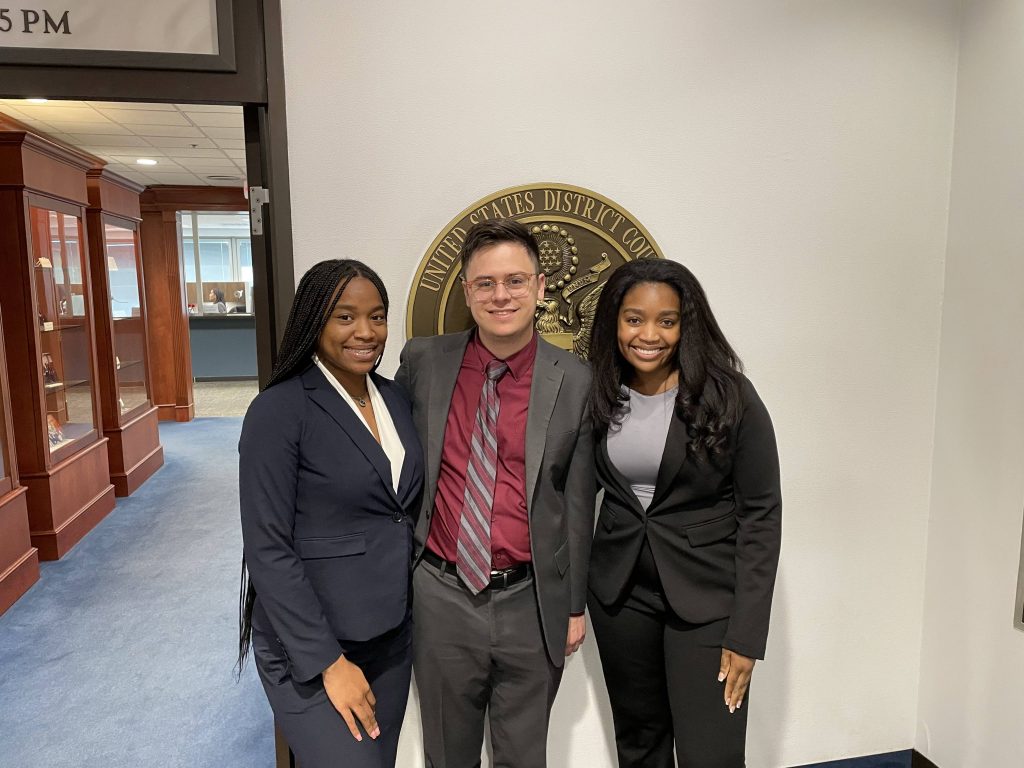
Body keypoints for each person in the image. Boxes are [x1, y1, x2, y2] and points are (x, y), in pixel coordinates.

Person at [395, 218, 595, 768]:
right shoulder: (422, 362)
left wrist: (574, 604)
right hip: (441, 594)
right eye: (485, 283)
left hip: (532, 600)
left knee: (524, 757)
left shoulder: (575, 379)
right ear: (466, 292)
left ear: (540, 286)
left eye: (515, 280)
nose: (500, 295)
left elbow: (578, 502)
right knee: (446, 755)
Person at [586, 258, 781, 768]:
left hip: (707, 599)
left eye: (666, 321)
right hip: (621, 597)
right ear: (614, 322)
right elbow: (577, 494)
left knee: (710, 754)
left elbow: (761, 514)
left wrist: (746, 634)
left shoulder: (730, 395)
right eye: (634, 319)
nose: (649, 335)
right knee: (640, 745)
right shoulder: (598, 391)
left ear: (685, 325)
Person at [236, 259, 424, 768]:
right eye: (345, 317)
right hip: (312, 647)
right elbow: (267, 548)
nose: (366, 332)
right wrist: (328, 662)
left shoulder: (394, 399)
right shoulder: (279, 410)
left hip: (389, 635)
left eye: (377, 316)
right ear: (314, 321)